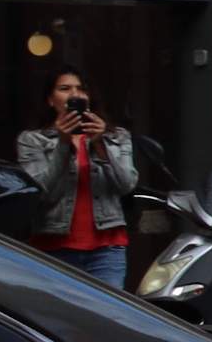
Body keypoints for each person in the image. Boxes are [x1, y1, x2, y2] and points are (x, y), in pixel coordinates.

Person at [17, 70, 138, 285]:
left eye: (81, 89)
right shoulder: (32, 140)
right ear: (50, 99)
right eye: (65, 89)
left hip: (106, 250)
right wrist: (63, 144)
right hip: (53, 249)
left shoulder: (116, 137)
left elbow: (126, 185)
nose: (75, 95)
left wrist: (100, 145)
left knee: (107, 314)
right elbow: (42, 193)